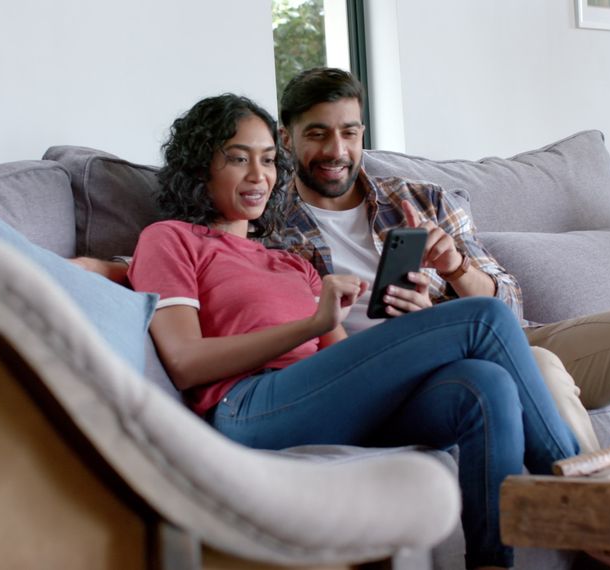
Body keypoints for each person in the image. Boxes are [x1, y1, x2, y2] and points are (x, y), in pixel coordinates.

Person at [126, 93, 578, 569]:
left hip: (318, 401)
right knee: (485, 317)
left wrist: (409, 339)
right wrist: (313, 323)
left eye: (267, 160)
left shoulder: (290, 262)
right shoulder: (170, 238)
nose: (259, 176)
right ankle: (582, 498)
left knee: (486, 385)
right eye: (238, 159)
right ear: (200, 169)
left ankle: (491, 563)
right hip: (247, 408)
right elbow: (183, 361)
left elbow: (338, 365)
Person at [265, 67, 610, 452]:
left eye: (349, 132)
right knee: (541, 369)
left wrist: (455, 268)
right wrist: (427, 333)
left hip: (508, 336)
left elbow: (507, 305)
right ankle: (602, 519)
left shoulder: (419, 199)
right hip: (432, 368)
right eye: (318, 134)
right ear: (288, 139)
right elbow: (308, 355)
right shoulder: (272, 230)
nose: (336, 151)